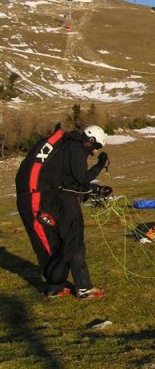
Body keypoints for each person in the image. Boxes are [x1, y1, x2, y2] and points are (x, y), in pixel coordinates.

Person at [15, 124, 110, 299]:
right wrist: (100, 165)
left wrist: (93, 190)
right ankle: (84, 288)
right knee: (73, 239)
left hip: (42, 197)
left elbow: (70, 182)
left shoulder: (66, 146)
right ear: (90, 142)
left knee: (54, 243)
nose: (94, 152)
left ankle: (55, 286)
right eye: (96, 147)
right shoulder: (77, 148)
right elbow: (81, 179)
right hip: (44, 198)